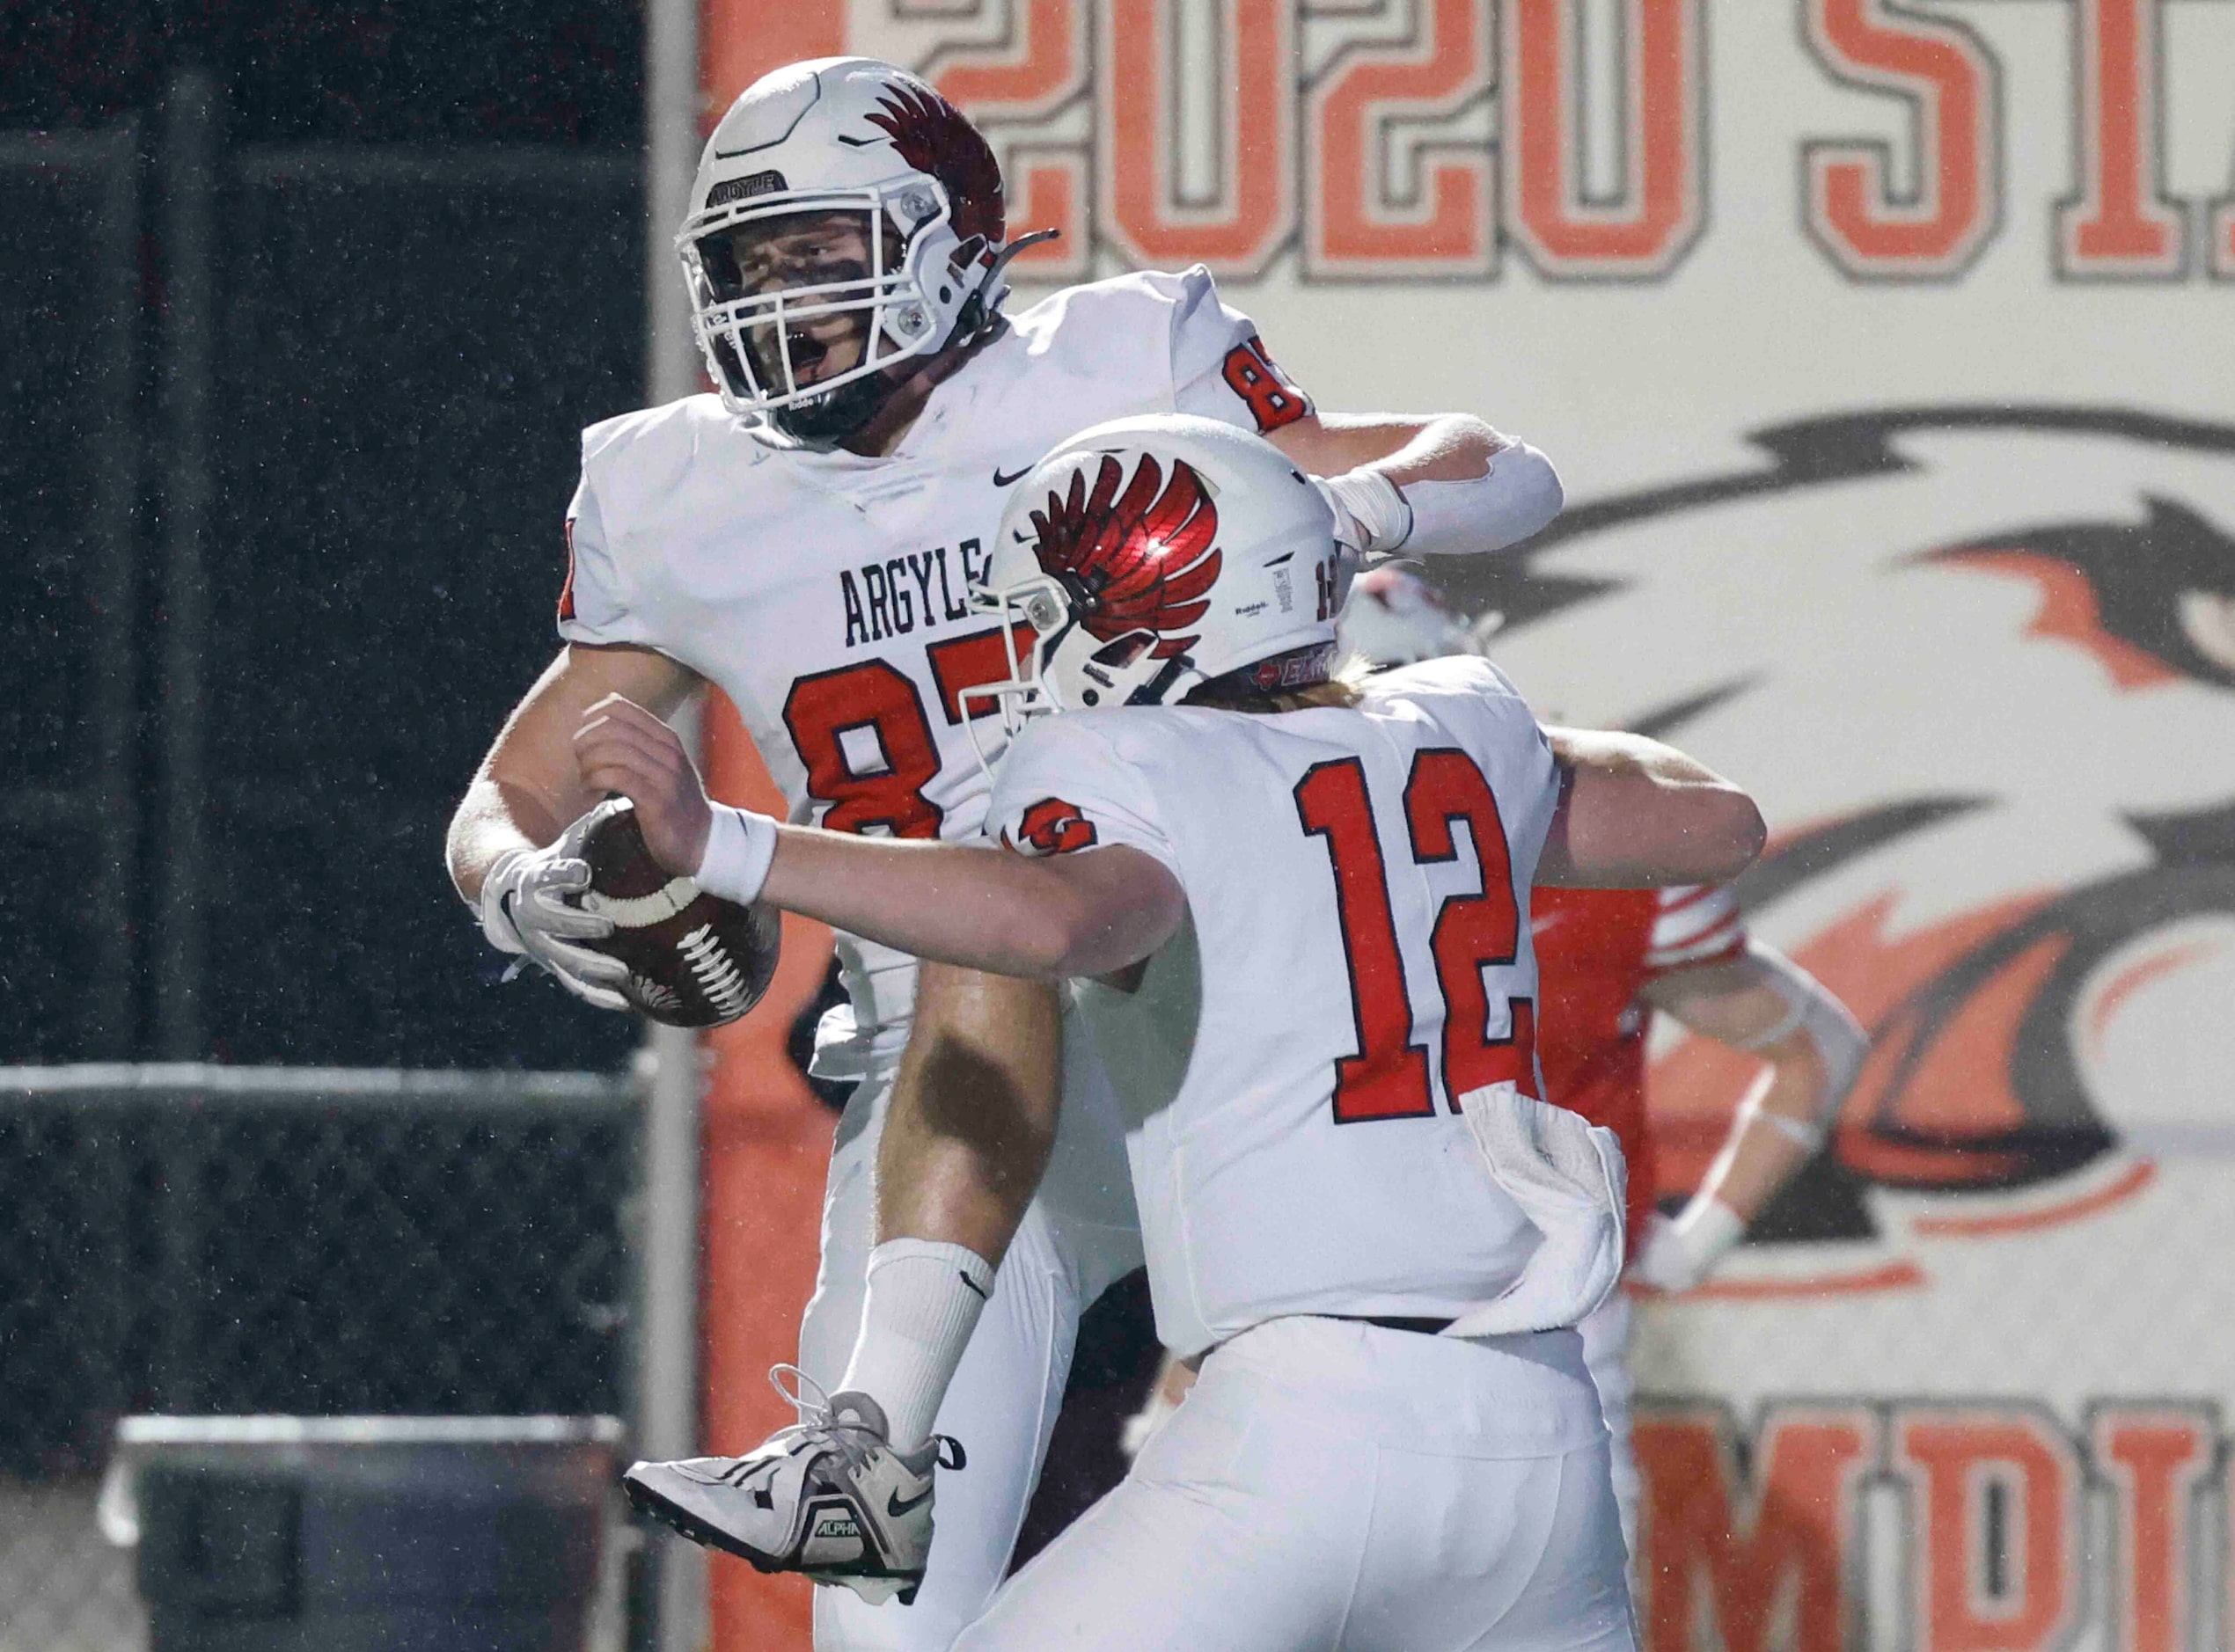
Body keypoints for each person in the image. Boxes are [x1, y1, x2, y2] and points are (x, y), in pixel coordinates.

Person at [443, 55, 1566, 1648]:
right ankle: (871, 1448)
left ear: (953, 239)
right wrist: (518, 881)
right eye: (754, 268)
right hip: (947, 1070)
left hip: (1225, 1004)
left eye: (824, 254)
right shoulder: (672, 487)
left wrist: (1348, 512)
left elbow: (1500, 470)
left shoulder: (1116, 359)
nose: (786, 303)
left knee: (1395, 1479)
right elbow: (514, 784)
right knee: (886, 1619)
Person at [590, 415, 1766, 1647]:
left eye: (1059, 612)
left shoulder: (1124, 754)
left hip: (1312, 1426)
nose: (1039, 648)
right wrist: (1490, 753)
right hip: (1542, 1440)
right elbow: (1717, 821)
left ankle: (871, 1438)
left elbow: (1047, 924)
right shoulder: (1462, 729)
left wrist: (728, 841)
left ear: (1152, 613)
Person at [1333, 563, 1869, 1549]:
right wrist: (1685, 1246)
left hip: (1344, 1310)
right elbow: (1817, 1046)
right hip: (1417, 1316)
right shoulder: (1598, 850)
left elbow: (1816, 1045)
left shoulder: (1269, 851)